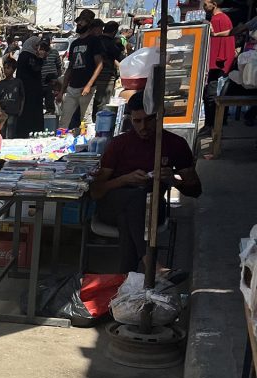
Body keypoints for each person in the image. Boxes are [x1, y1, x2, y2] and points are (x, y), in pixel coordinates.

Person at [90, 93, 202, 274]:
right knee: (135, 198)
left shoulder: (175, 144)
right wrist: (124, 179)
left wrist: (172, 180)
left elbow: (195, 190)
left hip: (152, 208)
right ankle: (152, 265)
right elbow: (96, 191)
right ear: (131, 120)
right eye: (137, 121)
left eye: (149, 120)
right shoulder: (118, 144)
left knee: (129, 215)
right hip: (113, 205)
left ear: (159, 116)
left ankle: (127, 278)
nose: (143, 127)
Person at [58, 16, 105, 129]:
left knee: (85, 122)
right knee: (64, 120)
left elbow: (100, 64)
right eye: (78, 22)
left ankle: (85, 140)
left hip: (86, 86)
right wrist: (62, 91)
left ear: (88, 24)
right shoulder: (74, 43)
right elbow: (70, 68)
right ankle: (61, 139)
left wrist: (89, 85)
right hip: (72, 86)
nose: (78, 24)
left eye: (81, 22)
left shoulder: (94, 41)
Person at [202, 0, 237, 135]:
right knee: (211, 94)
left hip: (217, 64)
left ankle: (211, 125)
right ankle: (212, 124)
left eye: (206, 4)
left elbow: (224, 43)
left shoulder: (220, 19)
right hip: (217, 63)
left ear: (214, 4)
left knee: (211, 95)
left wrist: (219, 61)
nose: (204, 7)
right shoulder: (219, 18)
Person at [92, 22, 124, 121]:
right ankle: (98, 122)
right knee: (103, 102)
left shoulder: (96, 40)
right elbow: (117, 56)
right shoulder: (111, 43)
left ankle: (93, 120)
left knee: (93, 101)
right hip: (106, 76)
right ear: (114, 31)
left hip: (92, 76)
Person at [0, 57, 24, 138]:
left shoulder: (18, 82)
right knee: (2, 133)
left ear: (13, 69)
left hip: (13, 111)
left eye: (8, 68)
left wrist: (21, 109)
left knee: (10, 133)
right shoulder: (0, 84)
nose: (6, 70)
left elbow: (22, 97)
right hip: (2, 112)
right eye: (4, 68)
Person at [41, 38, 64, 115]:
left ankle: (51, 113)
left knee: (50, 102)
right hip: (41, 82)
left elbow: (59, 66)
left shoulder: (54, 52)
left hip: (52, 82)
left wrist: (58, 80)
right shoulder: (39, 53)